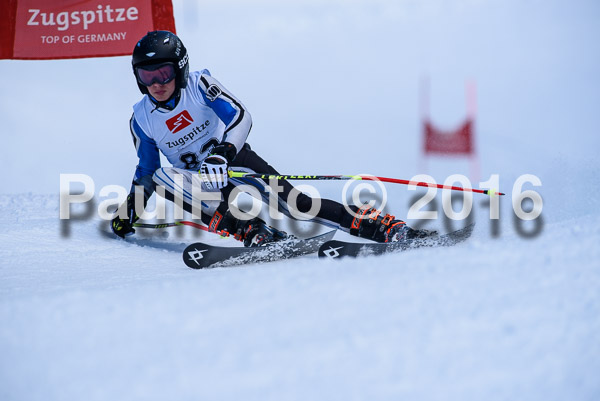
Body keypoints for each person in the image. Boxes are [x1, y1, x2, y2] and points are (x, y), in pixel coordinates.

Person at [111, 30, 425, 246]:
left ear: (179, 69)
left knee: (297, 205)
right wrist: (129, 211)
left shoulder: (200, 85)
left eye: (163, 73)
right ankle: (252, 230)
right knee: (163, 177)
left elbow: (240, 116)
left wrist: (223, 152)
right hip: (200, 183)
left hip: (235, 162)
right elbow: (147, 171)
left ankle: (379, 226)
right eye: (147, 76)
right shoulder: (141, 119)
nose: (156, 84)